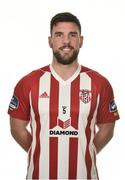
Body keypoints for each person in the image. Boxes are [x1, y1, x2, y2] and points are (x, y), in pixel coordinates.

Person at [8, 12, 120, 180]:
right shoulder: (29, 82)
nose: (66, 41)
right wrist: (40, 149)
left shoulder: (99, 83)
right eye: (59, 35)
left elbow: (107, 128)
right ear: (50, 41)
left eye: (72, 35)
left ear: (81, 40)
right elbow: (17, 128)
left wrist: (85, 150)